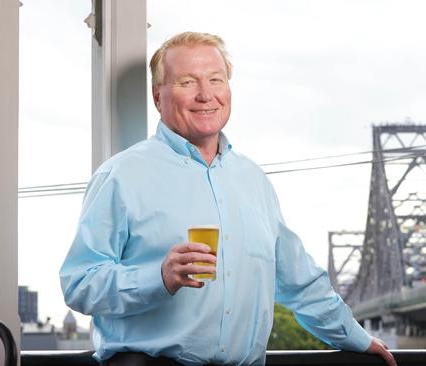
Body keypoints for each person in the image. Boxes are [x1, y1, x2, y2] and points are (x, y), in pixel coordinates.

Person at [59, 31, 397, 366]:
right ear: (158, 96)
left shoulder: (253, 180)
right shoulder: (121, 175)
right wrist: (158, 278)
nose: (205, 95)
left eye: (216, 79)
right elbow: (79, 283)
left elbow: (300, 281)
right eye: (187, 82)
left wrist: (356, 337)